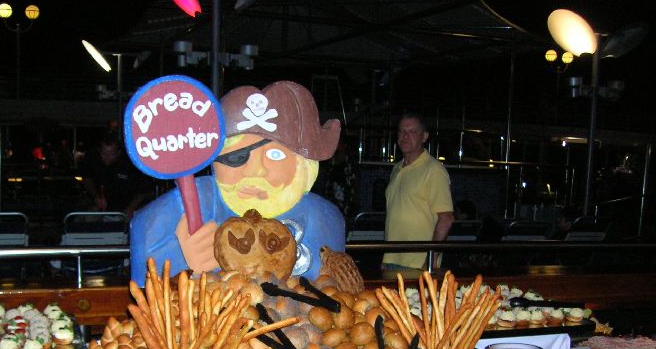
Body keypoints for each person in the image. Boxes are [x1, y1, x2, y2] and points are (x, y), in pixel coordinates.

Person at [130, 81, 345, 286]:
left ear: (304, 165)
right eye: (236, 157)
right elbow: (145, 256)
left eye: (275, 155)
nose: (254, 171)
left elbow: (334, 289)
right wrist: (182, 261)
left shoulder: (322, 218)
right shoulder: (190, 203)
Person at [383, 112, 454, 272]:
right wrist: (386, 258)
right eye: (401, 131)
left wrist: (430, 260)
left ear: (424, 136)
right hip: (392, 259)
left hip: (418, 263)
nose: (405, 136)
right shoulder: (396, 169)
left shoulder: (434, 170)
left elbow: (446, 219)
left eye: (412, 132)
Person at [81, 131, 153, 216]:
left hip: (126, 209)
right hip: (101, 207)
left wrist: (131, 208)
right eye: (103, 153)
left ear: (118, 153)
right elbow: (87, 178)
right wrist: (96, 196)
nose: (106, 157)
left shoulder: (131, 164)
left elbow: (144, 189)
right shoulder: (93, 159)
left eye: (110, 154)